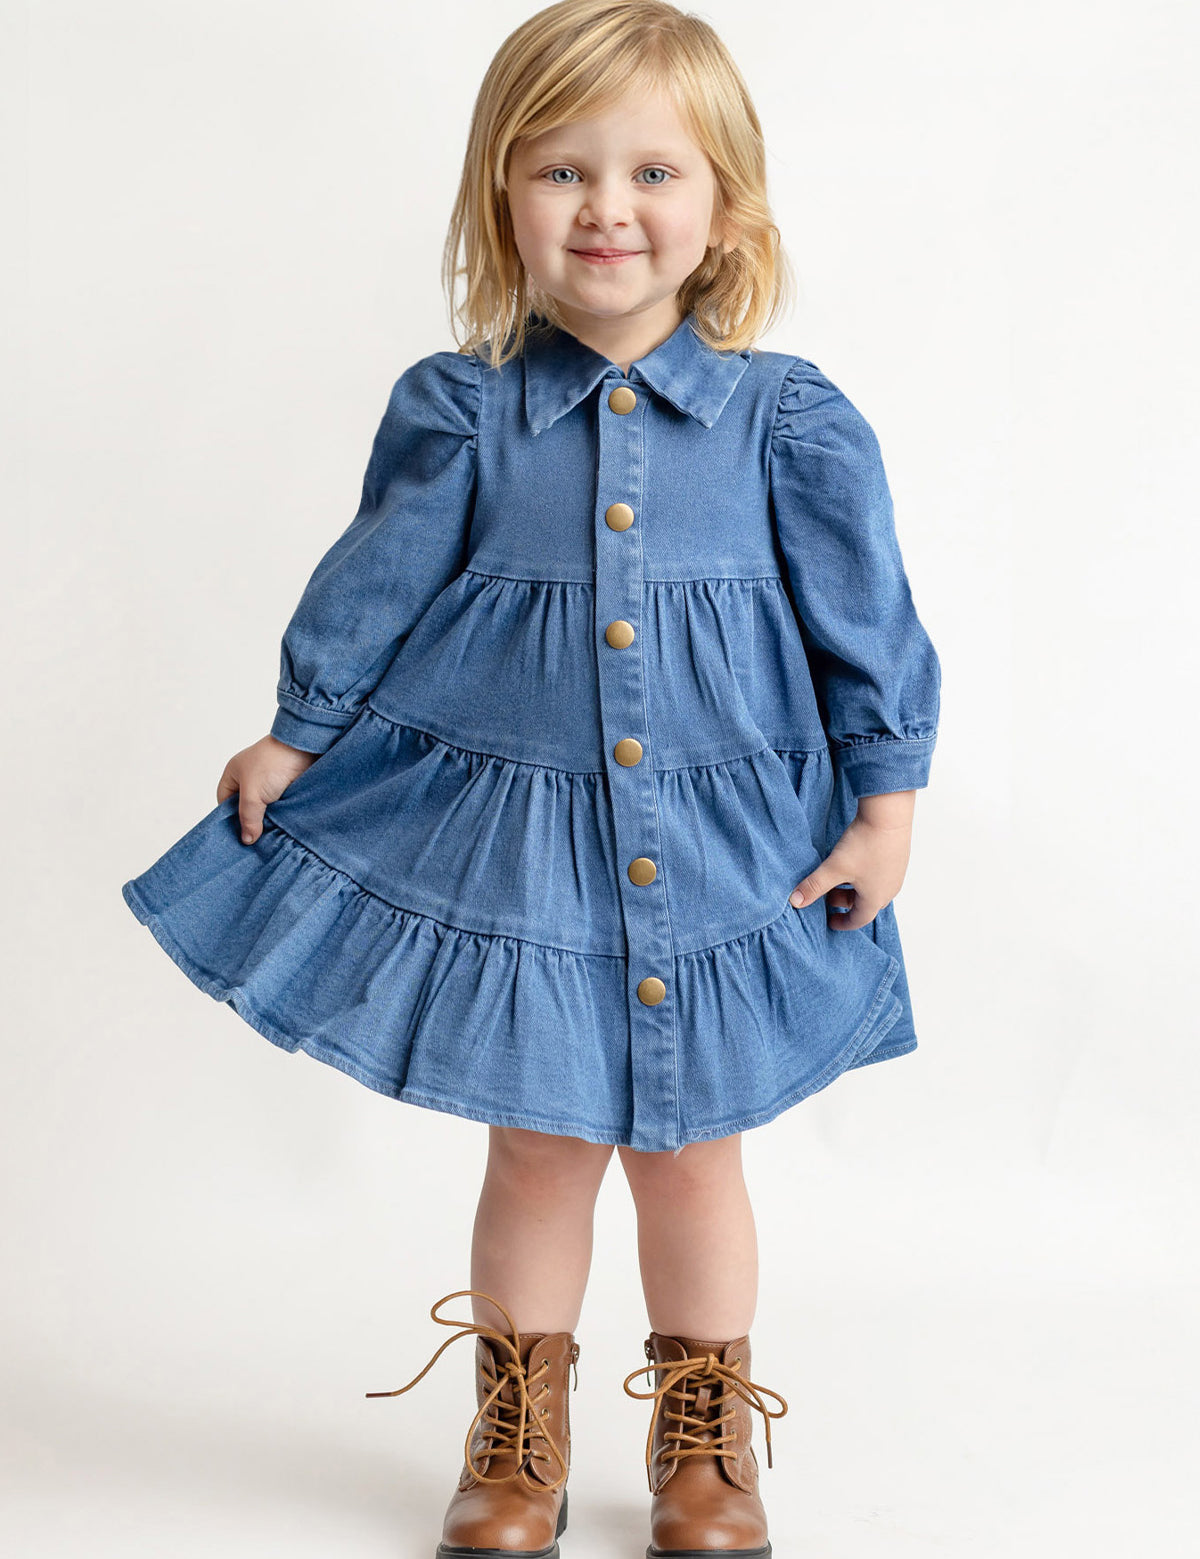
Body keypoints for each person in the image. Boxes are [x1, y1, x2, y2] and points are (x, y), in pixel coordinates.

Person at [121, 2, 942, 1554]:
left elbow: (868, 627)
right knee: (539, 1147)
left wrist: (885, 805)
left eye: (653, 172)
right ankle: (517, 1437)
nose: (607, 209)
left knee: (691, 1156)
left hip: (725, 858)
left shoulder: (789, 422)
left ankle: (706, 1441)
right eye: (562, 171)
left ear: (726, 210)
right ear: (500, 196)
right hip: (528, 858)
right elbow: (374, 588)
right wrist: (298, 732)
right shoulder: (463, 408)